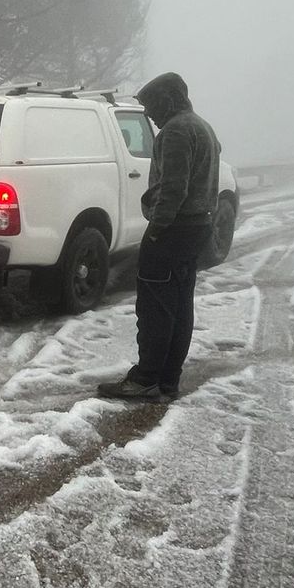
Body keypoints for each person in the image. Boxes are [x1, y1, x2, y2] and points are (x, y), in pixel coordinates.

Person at [97, 72, 222, 402]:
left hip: (173, 230)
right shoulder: (202, 127)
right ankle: (168, 379)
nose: (150, 113)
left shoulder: (176, 132)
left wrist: (158, 229)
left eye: (152, 105)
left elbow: (173, 189)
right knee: (180, 306)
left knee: (155, 307)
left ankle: (145, 379)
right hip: (196, 227)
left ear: (169, 99)